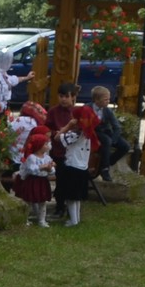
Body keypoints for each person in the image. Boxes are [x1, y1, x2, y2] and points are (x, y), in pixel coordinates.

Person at [51, 82, 97, 227]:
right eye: (61, 96)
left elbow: (59, 137)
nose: (63, 99)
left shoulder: (77, 129)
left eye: (66, 96)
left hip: (72, 164)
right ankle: (67, 212)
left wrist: (68, 127)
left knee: (72, 193)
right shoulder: (53, 112)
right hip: (71, 161)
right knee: (68, 190)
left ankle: (73, 218)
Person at [14, 127, 56, 227]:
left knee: (42, 201)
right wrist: (42, 167)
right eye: (45, 144)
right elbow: (31, 169)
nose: (48, 145)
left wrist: (50, 168)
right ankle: (25, 219)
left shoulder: (47, 157)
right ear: (39, 146)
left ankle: (42, 220)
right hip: (33, 181)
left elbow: (52, 170)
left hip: (43, 181)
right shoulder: (31, 157)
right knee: (28, 200)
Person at [92, 86, 130, 180]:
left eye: (109, 99)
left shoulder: (107, 110)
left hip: (105, 131)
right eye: (105, 99)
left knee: (125, 146)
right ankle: (105, 169)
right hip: (94, 131)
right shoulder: (87, 108)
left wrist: (114, 140)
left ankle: (108, 162)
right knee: (106, 141)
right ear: (97, 100)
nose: (108, 101)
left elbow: (116, 126)